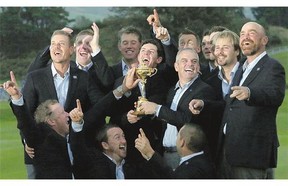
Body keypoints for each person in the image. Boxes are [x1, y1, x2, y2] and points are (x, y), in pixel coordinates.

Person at [19, 29, 105, 178]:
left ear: (71, 50)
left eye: (61, 44)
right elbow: (25, 114)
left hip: (76, 150)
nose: (56, 47)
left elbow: (100, 106)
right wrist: (27, 140)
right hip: (40, 152)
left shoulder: (83, 77)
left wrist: (80, 122)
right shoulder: (35, 77)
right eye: (53, 44)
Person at [216, 21, 286, 179]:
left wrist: (250, 93)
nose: (245, 37)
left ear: (264, 40)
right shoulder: (241, 67)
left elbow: (275, 95)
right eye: (242, 33)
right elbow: (230, 104)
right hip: (228, 151)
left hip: (251, 154)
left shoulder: (273, 67)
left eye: (252, 33)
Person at [138, 48, 216, 169]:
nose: (190, 64)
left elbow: (188, 121)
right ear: (176, 66)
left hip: (186, 158)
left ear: (199, 67)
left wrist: (157, 109)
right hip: (165, 154)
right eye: (184, 61)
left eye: (194, 61)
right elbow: (167, 120)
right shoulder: (172, 91)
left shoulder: (204, 90)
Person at [135, 123, 216, 179]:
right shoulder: (203, 162)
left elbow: (172, 178)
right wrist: (150, 156)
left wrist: (151, 153)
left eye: (177, 136)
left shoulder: (191, 171)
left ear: (182, 142)